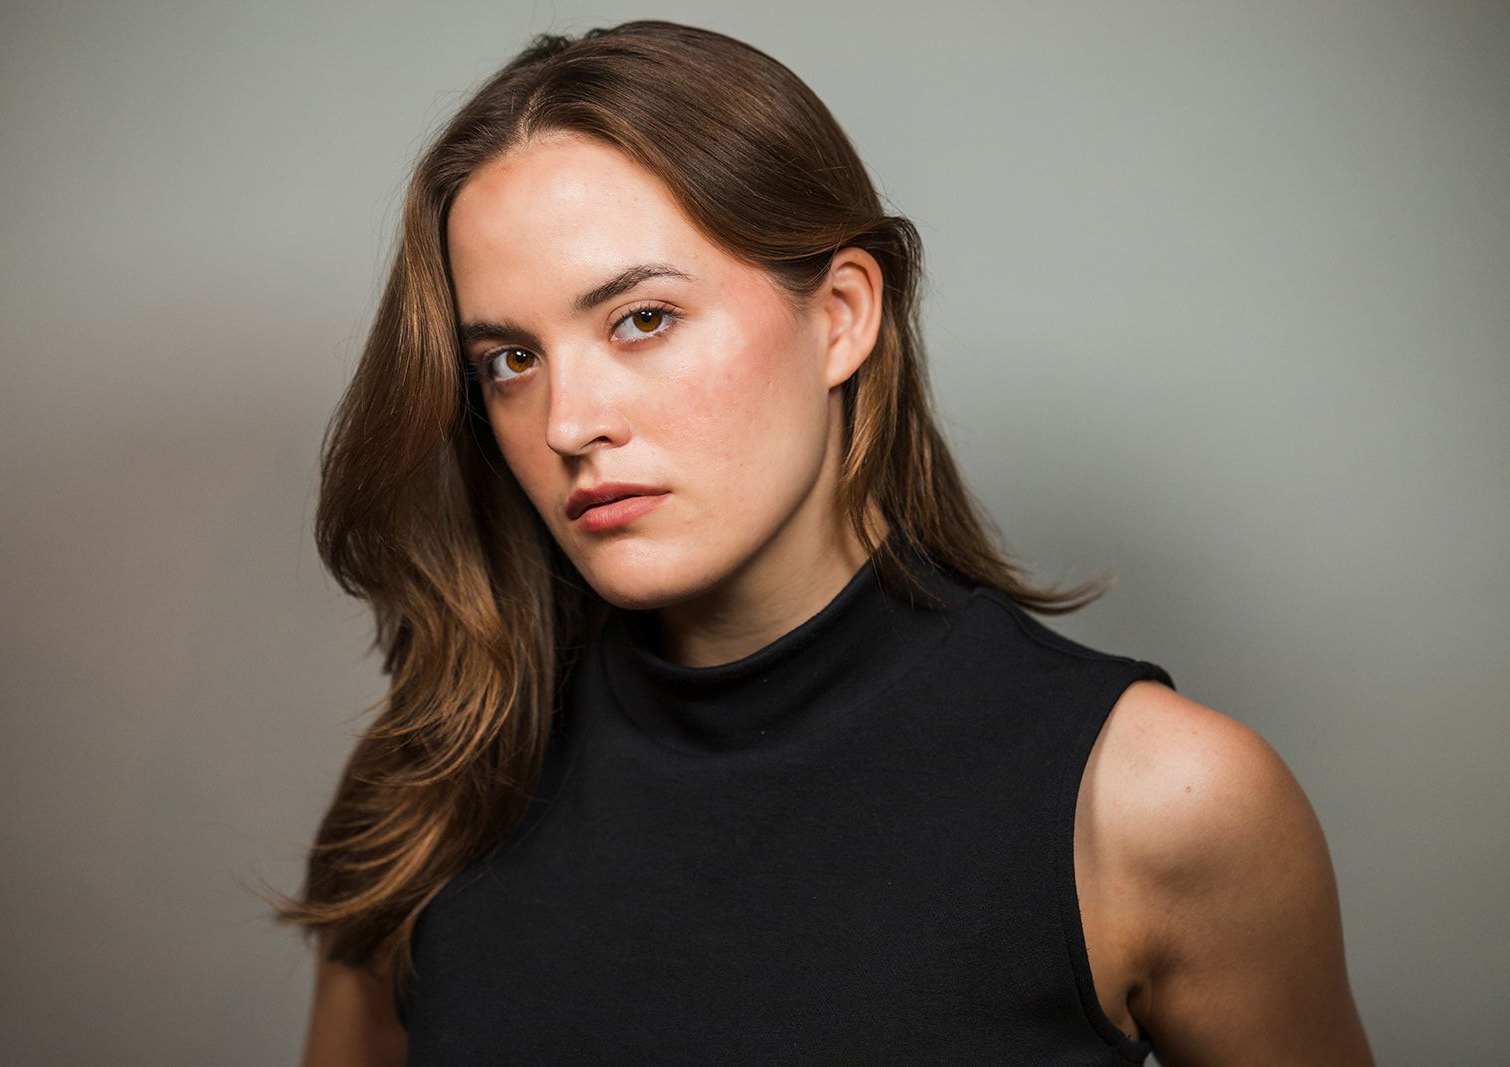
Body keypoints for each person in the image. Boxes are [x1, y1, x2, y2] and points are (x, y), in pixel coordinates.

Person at [271, 20, 1372, 1065]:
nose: (568, 422)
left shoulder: (1154, 802)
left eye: (642, 318)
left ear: (842, 314)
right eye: (510, 359)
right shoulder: (436, 784)